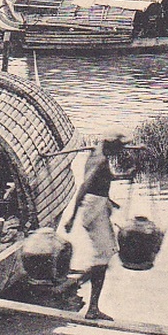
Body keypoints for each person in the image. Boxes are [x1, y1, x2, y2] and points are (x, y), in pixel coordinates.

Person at [64, 130, 135, 320]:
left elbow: (104, 180)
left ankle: (81, 283)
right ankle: (90, 304)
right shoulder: (100, 161)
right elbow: (85, 187)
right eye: (119, 147)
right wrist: (71, 216)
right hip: (93, 208)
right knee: (103, 257)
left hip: (98, 206)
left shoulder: (97, 153)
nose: (120, 151)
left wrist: (123, 179)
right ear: (110, 146)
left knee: (107, 253)